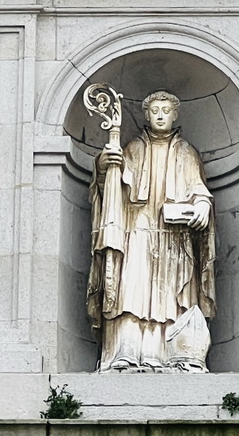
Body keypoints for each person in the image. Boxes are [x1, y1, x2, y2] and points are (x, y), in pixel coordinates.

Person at [87, 90, 216, 371]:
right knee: (132, 290)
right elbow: (110, 194)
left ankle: (165, 353)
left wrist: (202, 206)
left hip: (174, 236)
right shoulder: (132, 149)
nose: (160, 116)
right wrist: (105, 165)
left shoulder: (186, 153)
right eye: (155, 110)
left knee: (169, 296)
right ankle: (127, 349)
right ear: (146, 115)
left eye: (166, 111)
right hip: (137, 230)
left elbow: (198, 189)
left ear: (175, 115)